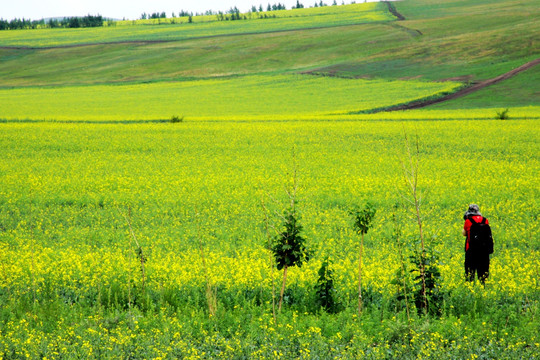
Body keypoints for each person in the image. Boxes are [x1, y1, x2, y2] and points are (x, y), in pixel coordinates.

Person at [462, 204, 492, 283]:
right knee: (483, 273)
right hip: (484, 251)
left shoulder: (468, 221)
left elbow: (464, 233)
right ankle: (483, 287)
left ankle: (470, 287)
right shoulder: (485, 220)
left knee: (470, 273)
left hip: (471, 251)